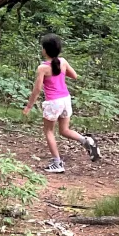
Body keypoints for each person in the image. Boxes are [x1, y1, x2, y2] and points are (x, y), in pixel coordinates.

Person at [22, 33, 101, 173]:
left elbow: (37, 89)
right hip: (65, 99)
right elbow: (74, 75)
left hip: (53, 102)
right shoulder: (63, 62)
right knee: (64, 130)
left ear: (45, 50)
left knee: (49, 131)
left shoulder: (42, 68)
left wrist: (29, 106)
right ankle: (86, 141)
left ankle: (57, 163)